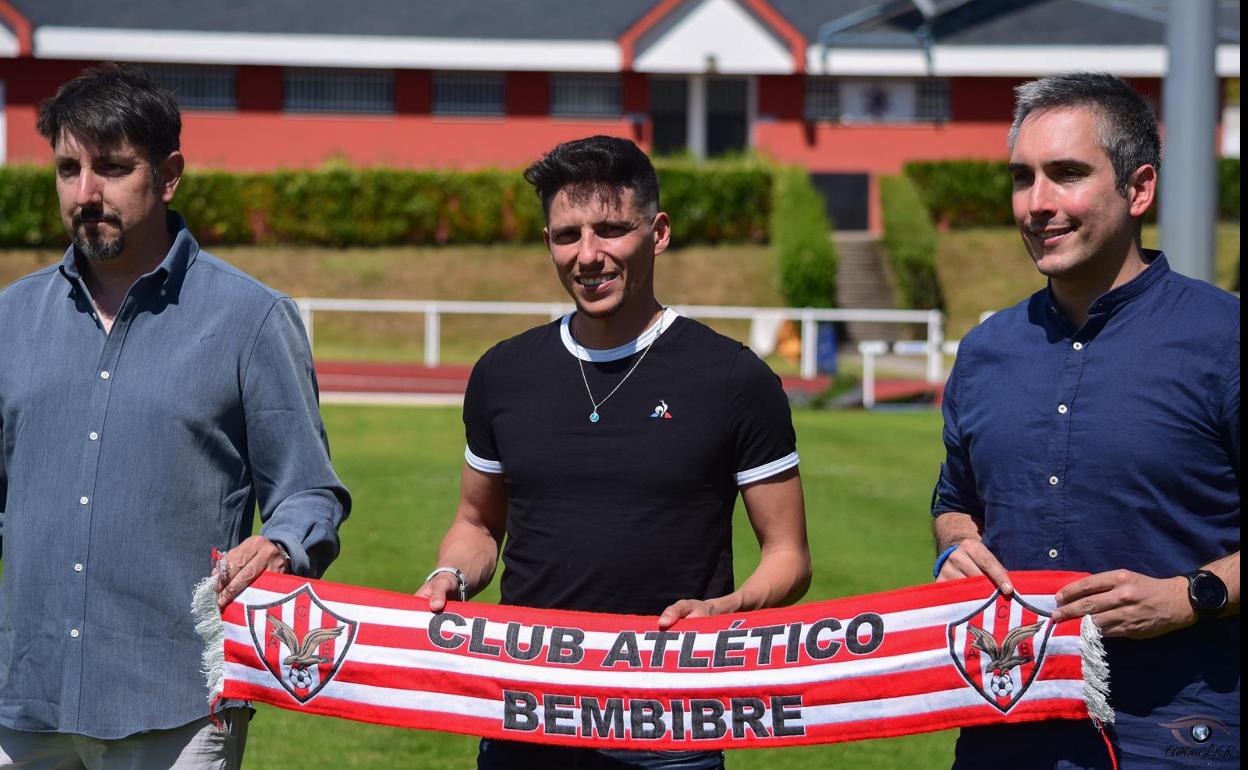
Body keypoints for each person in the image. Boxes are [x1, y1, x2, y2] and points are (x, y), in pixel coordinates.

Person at [416, 135, 811, 769]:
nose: (588, 255)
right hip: (526, 718)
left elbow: (788, 554)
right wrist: (451, 576)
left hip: (670, 725)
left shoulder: (735, 379)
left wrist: (726, 609)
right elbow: (477, 523)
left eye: (611, 229)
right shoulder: (503, 372)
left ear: (657, 233)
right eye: (566, 235)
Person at [0, 64, 351, 768]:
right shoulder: (9, 317)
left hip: (179, 706)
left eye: (113, 167)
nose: (86, 192)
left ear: (169, 175)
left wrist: (281, 543)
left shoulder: (252, 319)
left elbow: (310, 491)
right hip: (23, 700)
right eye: (68, 169)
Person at [931, 72, 1239, 769]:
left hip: (1178, 732)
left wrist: (1194, 595)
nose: (1037, 204)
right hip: (1003, 727)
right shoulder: (985, 350)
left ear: (1139, 189)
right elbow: (954, 503)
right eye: (1022, 177)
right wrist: (955, 545)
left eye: (1066, 174)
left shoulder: (1225, 339)